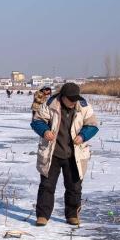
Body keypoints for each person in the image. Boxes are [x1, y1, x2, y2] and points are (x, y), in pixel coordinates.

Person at [31, 82, 99, 226]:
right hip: (52, 153)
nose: (73, 102)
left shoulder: (84, 106)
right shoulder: (50, 104)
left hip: (75, 154)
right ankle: (42, 216)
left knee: (74, 186)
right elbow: (37, 121)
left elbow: (92, 125)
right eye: (71, 99)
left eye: (75, 99)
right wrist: (45, 131)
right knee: (47, 186)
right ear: (63, 97)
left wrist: (83, 136)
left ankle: (72, 215)